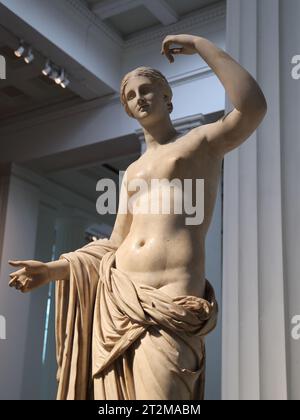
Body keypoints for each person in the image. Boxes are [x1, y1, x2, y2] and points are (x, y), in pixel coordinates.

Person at [8, 34, 267, 400]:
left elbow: (252, 107)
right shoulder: (131, 173)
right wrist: (53, 270)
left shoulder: (197, 145)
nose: (139, 98)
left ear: (167, 98)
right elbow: (114, 243)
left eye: (146, 90)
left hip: (170, 298)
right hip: (119, 299)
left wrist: (202, 46)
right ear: (128, 109)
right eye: (130, 96)